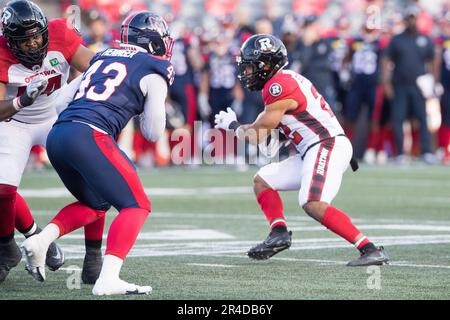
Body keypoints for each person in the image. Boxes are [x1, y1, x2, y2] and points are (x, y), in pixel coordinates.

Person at [20, 11, 174, 295]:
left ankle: (41, 241)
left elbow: (60, 103)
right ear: (154, 42)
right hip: (89, 135)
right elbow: (152, 132)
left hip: (58, 136)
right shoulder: (154, 70)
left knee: (97, 204)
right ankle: (109, 278)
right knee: (136, 205)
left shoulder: (103, 56)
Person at [214, 34, 389, 266]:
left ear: (266, 65)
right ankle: (278, 233)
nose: (246, 73)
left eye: (250, 67)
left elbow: (256, 134)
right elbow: (269, 134)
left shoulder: (278, 86)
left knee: (312, 202)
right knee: (262, 180)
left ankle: (369, 248)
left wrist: (233, 126)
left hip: (325, 145)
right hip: (315, 148)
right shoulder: (283, 81)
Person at [0, 0, 96, 284]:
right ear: (9, 40)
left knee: (92, 181)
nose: (33, 43)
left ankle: (94, 255)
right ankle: (8, 245)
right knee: (3, 189)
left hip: (57, 116)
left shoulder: (62, 34)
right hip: (16, 123)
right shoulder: (1, 53)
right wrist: (21, 100)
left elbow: (95, 68)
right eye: (24, 39)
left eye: (37, 35)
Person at [383, 6, 436, 164]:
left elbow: (432, 60)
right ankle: (400, 152)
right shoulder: (397, 39)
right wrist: (386, 82)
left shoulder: (425, 39)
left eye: (413, 17)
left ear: (417, 19)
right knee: (398, 119)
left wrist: (432, 82)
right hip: (400, 86)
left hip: (419, 87)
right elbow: (386, 60)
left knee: (422, 118)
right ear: (405, 20)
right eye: (409, 18)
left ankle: (426, 151)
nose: (411, 20)